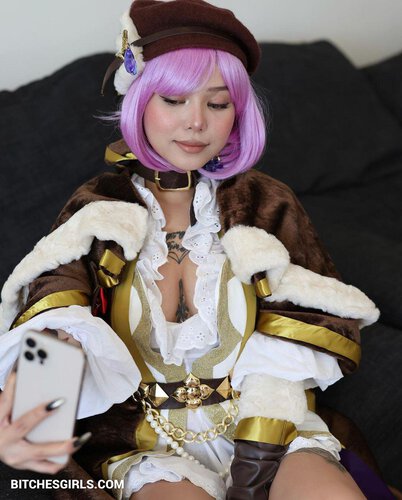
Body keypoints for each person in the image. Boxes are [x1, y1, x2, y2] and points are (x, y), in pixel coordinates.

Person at [0, 1, 381, 499]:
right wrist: (35, 410)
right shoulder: (97, 209)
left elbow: (310, 317)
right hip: (146, 443)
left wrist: (260, 444)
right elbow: (57, 307)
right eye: (174, 100)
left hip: (270, 426)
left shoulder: (266, 202)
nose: (196, 122)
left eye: (217, 104)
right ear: (139, 101)